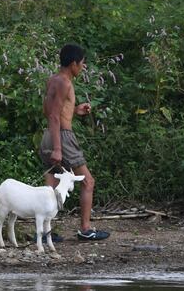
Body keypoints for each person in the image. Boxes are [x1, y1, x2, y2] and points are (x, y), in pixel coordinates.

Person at [39, 44, 110, 241]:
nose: (83, 67)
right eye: (82, 64)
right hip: (61, 137)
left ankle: (45, 232)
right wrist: (58, 148)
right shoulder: (65, 83)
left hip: (48, 135)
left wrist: (74, 110)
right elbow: (54, 116)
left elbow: (51, 111)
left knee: (51, 185)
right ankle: (85, 229)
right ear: (73, 64)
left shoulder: (53, 80)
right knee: (87, 181)